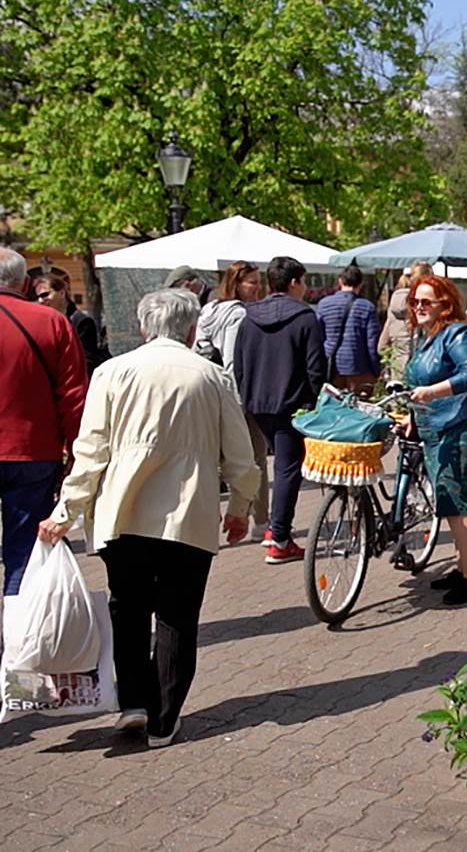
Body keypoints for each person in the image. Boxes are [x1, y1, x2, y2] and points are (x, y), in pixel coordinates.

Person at [38, 288, 258, 747]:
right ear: (192, 329)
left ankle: (134, 703)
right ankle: (164, 716)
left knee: (129, 608)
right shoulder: (213, 377)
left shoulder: (112, 372)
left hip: (124, 511)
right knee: (178, 615)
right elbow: (240, 455)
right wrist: (240, 506)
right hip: (188, 513)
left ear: (142, 326)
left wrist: (66, 511)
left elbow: (90, 450)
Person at [0, 249, 88, 596]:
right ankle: (22, 637)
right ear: (25, 282)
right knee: (25, 553)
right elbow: (74, 397)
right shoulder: (51, 322)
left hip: (31, 449)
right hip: (34, 449)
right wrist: (76, 453)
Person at [404, 275, 467, 606]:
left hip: (463, 424)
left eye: (426, 301)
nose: (419, 306)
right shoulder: (426, 337)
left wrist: (433, 391)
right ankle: (463, 566)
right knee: (450, 502)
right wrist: (412, 417)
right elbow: (417, 386)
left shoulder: (456, 332)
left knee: (456, 503)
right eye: (415, 301)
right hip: (437, 428)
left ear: (446, 304)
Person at [234, 256, 326, 564]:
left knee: (275, 465)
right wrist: (314, 403)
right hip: (292, 404)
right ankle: (280, 537)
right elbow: (316, 367)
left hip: (257, 403)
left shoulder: (249, 317)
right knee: (287, 469)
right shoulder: (305, 318)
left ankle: (275, 528)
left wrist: (248, 397)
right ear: (294, 283)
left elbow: (240, 363)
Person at [194, 261, 271, 539]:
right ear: (236, 283)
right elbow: (232, 361)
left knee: (214, 461)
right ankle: (260, 522)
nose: (257, 287)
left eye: (258, 281)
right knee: (255, 459)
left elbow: (199, 350)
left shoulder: (209, 310)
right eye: (251, 281)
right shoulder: (238, 315)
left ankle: (204, 521)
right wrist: (240, 400)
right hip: (237, 397)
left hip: (209, 394)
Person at [316, 264, 381, 395]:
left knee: (332, 409)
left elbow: (318, 337)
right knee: (360, 409)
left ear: (340, 281)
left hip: (331, 367)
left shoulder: (324, 305)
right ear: (361, 284)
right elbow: (372, 344)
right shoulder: (367, 307)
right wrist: (376, 370)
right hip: (360, 368)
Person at [31, 272, 109, 375]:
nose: (41, 300)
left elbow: (88, 361)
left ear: (62, 293)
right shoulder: (42, 323)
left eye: (45, 294)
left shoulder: (81, 322)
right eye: (38, 297)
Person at [379, 262, 433, 381]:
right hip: (422, 364)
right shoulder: (424, 304)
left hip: (398, 365)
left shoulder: (393, 303)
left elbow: (382, 345)